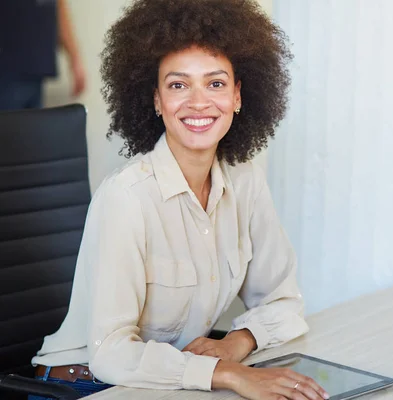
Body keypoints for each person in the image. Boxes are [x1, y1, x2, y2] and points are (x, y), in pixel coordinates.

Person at [29, 0, 328, 399]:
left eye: (216, 83)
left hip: (168, 379)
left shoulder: (245, 181)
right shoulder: (127, 197)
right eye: (178, 84)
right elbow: (111, 354)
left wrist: (234, 345)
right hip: (84, 385)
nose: (199, 102)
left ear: (238, 96)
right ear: (156, 100)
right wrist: (227, 373)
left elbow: (284, 301)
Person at [0, 0, 86, 111]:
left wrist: (75, 58)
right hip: (7, 72)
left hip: (36, 73)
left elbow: (59, 10)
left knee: (33, 126)